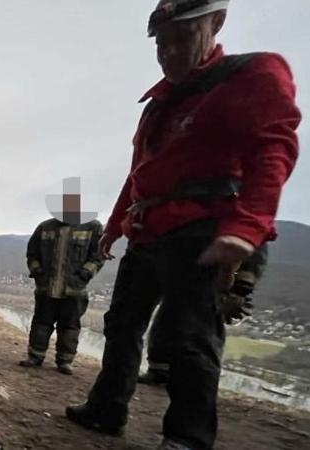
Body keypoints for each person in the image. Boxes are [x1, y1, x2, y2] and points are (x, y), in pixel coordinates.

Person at [64, 1, 301, 449]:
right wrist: (113, 229)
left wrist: (246, 228)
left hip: (203, 231)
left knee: (191, 336)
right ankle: (107, 408)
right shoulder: (156, 105)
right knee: (121, 323)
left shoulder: (249, 76)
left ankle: (188, 438)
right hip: (146, 230)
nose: (169, 52)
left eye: (182, 37)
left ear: (216, 22)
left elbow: (274, 149)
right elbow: (140, 176)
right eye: (161, 42)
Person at [138, 245, 268, 385]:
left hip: (212, 276)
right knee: (172, 314)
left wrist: (241, 288)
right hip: (192, 269)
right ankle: (164, 370)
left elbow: (255, 248)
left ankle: (192, 378)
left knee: (201, 327)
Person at [20, 183, 105, 375]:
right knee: (41, 323)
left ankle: (65, 361)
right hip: (46, 288)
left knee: (70, 326)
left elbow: (98, 256)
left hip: (74, 290)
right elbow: (31, 253)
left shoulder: (93, 227)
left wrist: (85, 273)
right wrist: (38, 273)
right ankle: (35, 356)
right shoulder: (45, 227)